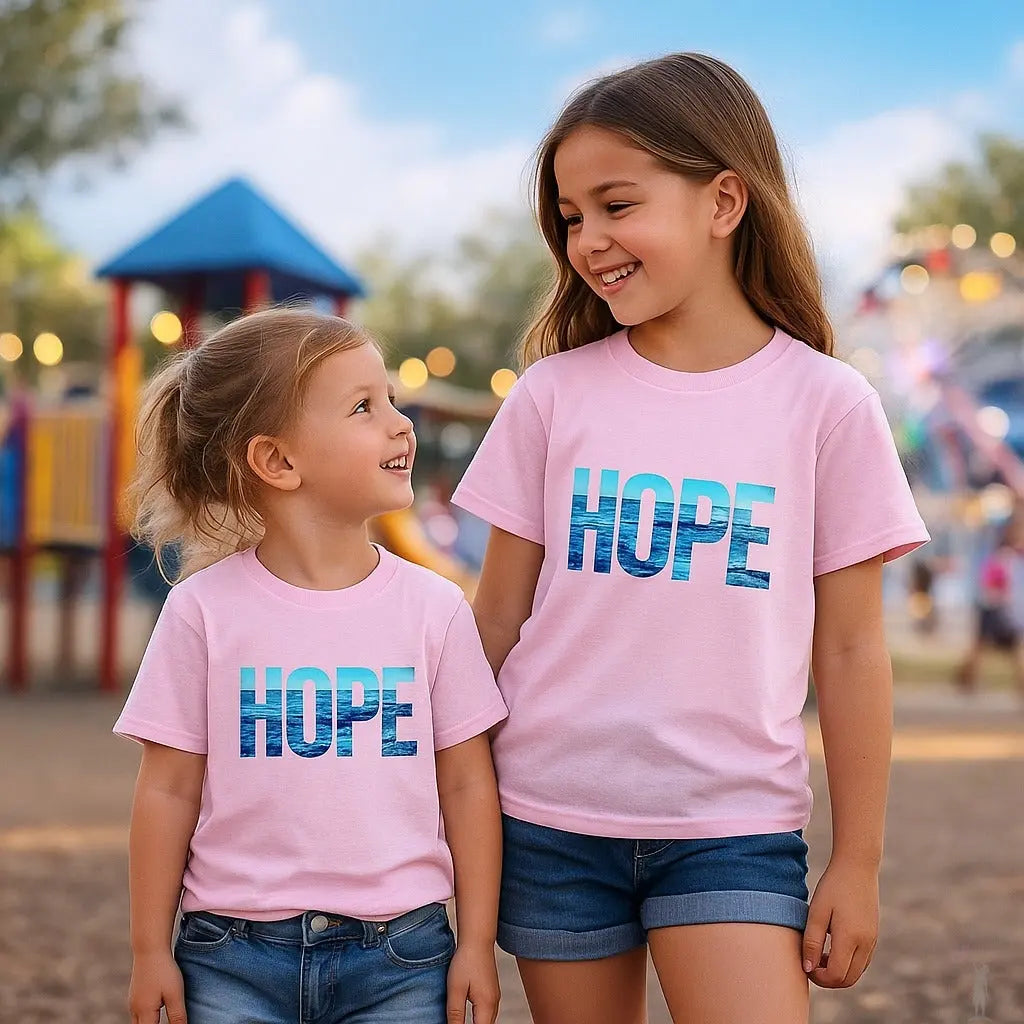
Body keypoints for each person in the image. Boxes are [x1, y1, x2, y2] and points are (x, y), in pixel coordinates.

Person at [451, 53, 930, 1023]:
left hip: (733, 827)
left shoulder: (826, 406)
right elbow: (495, 616)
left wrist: (858, 860)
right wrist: (428, 800)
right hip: (546, 820)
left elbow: (848, 647)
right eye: (571, 216)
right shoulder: (551, 396)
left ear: (722, 201)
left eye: (616, 205)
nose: (588, 240)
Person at [113, 309, 507, 1024]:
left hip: (404, 958)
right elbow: (167, 790)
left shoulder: (435, 609)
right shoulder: (201, 613)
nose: (400, 423)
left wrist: (476, 941)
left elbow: (468, 781)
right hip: (230, 957)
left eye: (391, 398)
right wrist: (149, 951)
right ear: (277, 461)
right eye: (364, 406)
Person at [955, 525, 1024, 698]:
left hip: (1002, 610)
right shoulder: (1004, 558)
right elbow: (991, 586)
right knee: (982, 648)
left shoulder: (1010, 558)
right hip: (996, 610)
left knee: (1012, 650)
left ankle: (967, 680)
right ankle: (966, 680)